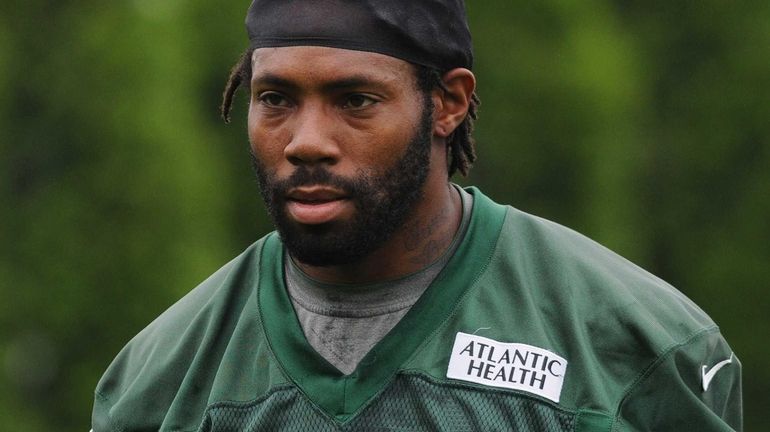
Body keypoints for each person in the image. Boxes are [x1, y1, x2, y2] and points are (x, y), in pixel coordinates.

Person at [91, 1, 742, 431]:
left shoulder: (637, 349)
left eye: (355, 99)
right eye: (276, 99)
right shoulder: (161, 379)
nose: (305, 140)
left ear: (449, 103)